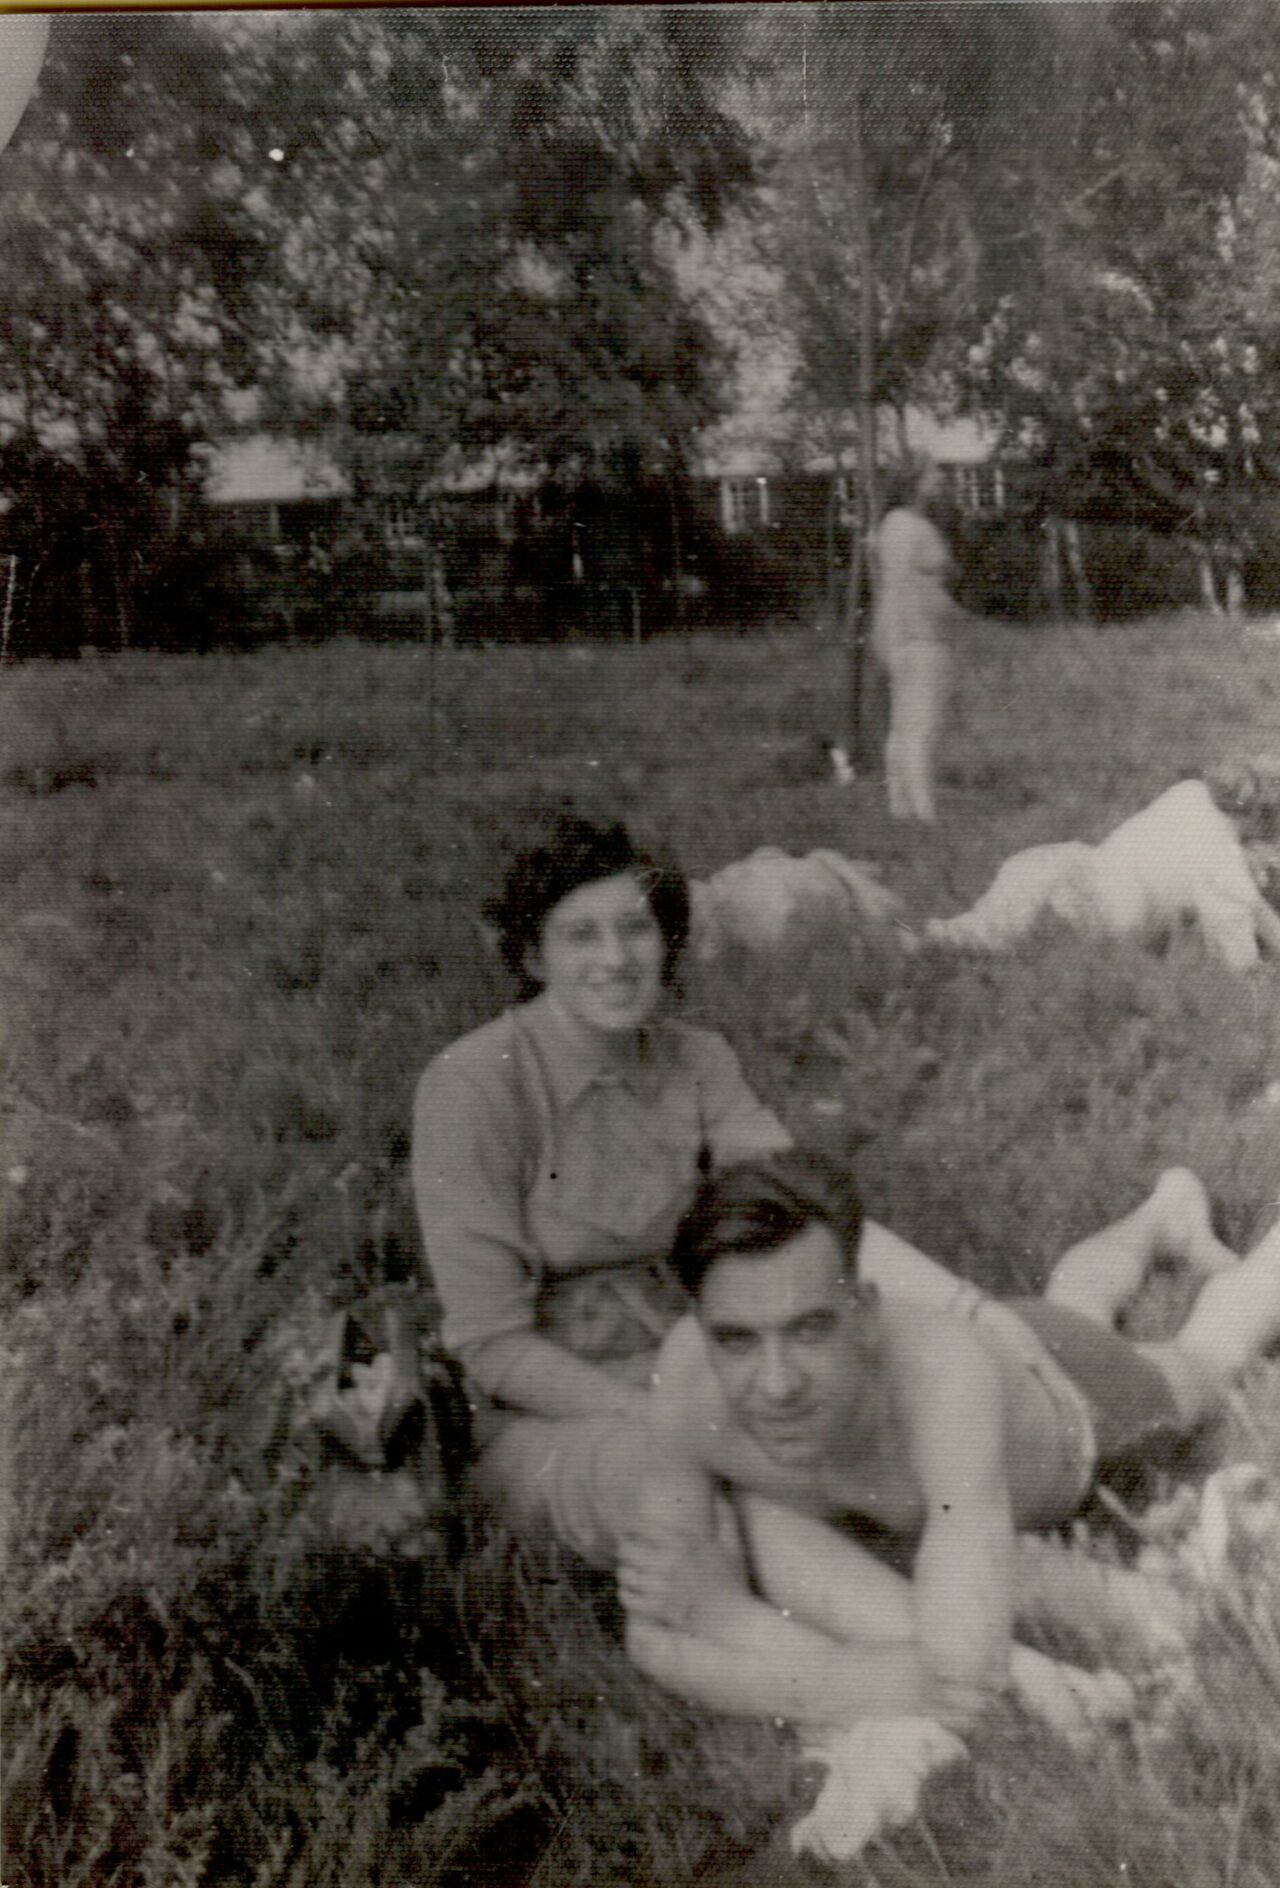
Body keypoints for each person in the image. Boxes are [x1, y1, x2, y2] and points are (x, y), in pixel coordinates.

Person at [411, 810, 969, 1567]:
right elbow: (493, 1345)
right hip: (550, 1413)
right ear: (534, 956)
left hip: (705, 1358)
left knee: (897, 1412)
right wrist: (674, 1422)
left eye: (636, 929)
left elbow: (795, 1206)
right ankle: (963, 1607)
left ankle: (967, 1571)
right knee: (694, 1496)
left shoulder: (696, 1059)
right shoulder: (474, 1087)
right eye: (581, 936)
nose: (616, 959)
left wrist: (966, 1313)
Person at [622, 1149, 1267, 1755]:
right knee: (1076, 1302)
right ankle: (1162, 1214)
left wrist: (725, 1617)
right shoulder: (685, 1380)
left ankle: (1173, 1224)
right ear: (702, 1329)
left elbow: (964, 1678)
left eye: (810, 1329)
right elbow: (656, 1634)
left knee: (1206, 1359)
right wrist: (704, 1621)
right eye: (736, 1340)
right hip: (970, 1408)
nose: (777, 1384)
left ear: (866, 1313)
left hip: (1071, 1399)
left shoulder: (944, 1381)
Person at [871, 461, 958, 825]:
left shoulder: (888, 526)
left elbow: (891, 582)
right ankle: (926, 811)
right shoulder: (917, 528)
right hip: (923, 632)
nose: (941, 484)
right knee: (923, 725)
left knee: (901, 724)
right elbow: (921, 583)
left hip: (893, 633)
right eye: (932, 478)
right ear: (913, 485)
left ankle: (900, 806)